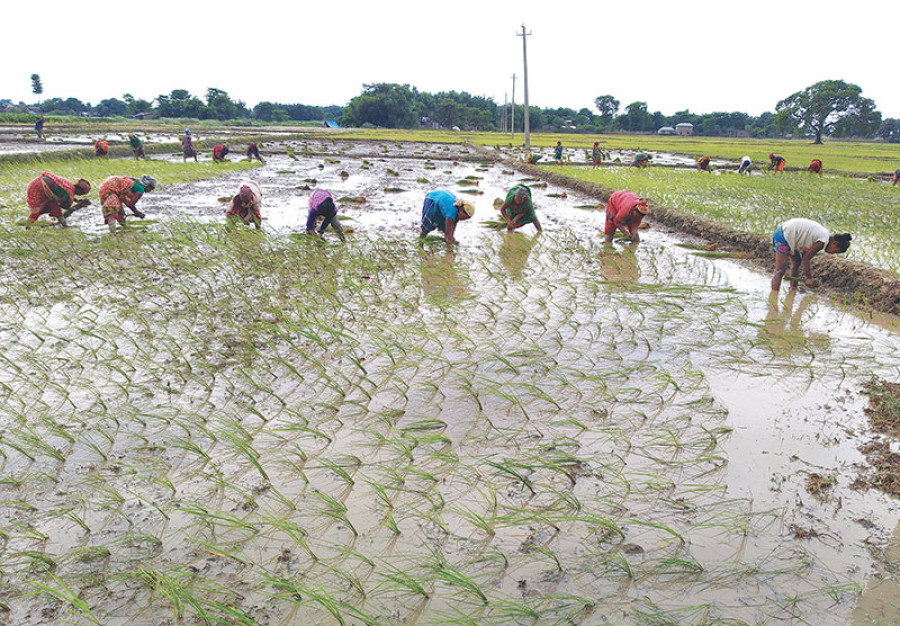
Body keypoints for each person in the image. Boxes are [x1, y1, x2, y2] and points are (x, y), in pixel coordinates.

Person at [770, 218, 852, 292]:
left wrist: (807, 277)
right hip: (783, 235)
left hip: (788, 234)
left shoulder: (824, 236)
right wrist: (809, 278)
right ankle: (774, 296)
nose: (832, 253)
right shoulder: (822, 241)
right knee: (780, 271)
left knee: (797, 262)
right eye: (835, 251)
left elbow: (804, 255)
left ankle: (793, 289)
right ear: (835, 243)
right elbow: (806, 259)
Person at [26, 172, 91, 227]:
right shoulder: (68, 194)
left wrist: (77, 201)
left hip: (36, 182)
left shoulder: (68, 185)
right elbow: (67, 208)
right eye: (83, 193)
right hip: (38, 188)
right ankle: (28, 225)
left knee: (52, 205)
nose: (81, 195)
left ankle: (64, 225)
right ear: (80, 190)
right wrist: (79, 206)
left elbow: (61, 193)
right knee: (41, 209)